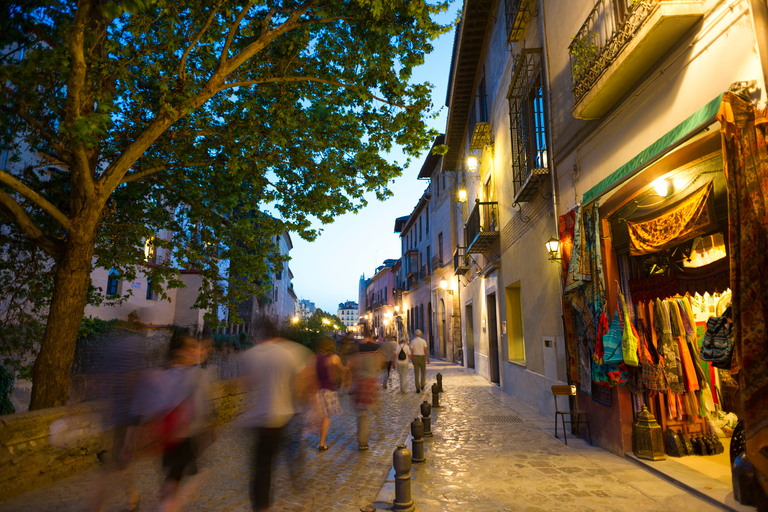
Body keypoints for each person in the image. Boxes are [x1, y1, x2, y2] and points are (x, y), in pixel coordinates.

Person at [241, 326, 313, 512]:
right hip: (285, 416)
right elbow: (302, 380)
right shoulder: (290, 353)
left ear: (259, 335)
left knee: (262, 468)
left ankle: (261, 507)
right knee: (293, 458)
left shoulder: (251, 354)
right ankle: (303, 494)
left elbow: (248, 384)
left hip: (260, 419)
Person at [154, 336, 215, 512]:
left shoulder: (165, 374)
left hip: (168, 433)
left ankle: (167, 500)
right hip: (186, 434)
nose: (197, 352)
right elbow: (203, 407)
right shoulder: (198, 375)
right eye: (192, 349)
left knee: (173, 475)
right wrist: (210, 427)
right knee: (191, 475)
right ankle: (168, 506)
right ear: (181, 352)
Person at [314, 336, 346, 451]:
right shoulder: (334, 358)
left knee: (320, 416)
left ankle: (314, 434)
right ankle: (322, 444)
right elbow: (343, 370)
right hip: (329, 390)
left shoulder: (316, 358)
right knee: (326, 417)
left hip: (318, 391)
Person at [349, 338, 382, 450]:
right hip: (371, 384)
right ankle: (380, 432)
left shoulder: (356, 357)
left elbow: (351, 369)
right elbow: (379, 367)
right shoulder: (374, 356)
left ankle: (362, 441)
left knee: (361, 415)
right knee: (377, 410)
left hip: (359, 385)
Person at [410, 329, 429, 393]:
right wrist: (428, 358)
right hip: (422, 357)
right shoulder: (423, 341)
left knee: (416, 373)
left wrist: (412, 358)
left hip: (415, 357)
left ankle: (417, 387)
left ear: (415, 334)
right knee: (423, 372)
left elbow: (412, 351)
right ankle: (422, 385)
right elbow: (425, 350)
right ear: (420, 334)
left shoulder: (413, 341)